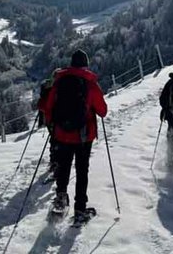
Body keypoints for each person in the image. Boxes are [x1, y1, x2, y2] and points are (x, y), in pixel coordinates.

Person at [42, 49, 108, 221]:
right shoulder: (91, 84)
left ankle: (61, 199)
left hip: (61, 134)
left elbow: (48, 108)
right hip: (83, 136)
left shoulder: (59, 81)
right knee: (81, 170)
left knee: (63, 166)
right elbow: (103, 111)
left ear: (71, 64)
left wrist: (55, 127)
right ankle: (80, 209)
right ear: (86, 64)